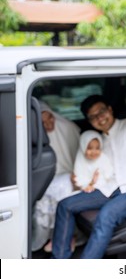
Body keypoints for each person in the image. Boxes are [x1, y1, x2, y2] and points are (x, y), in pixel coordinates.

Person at [51, 94, 126, 259]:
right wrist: (88, 182)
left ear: (110, 110)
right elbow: (100, 170)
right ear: (90, 122)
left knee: (106, 215)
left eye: (101, 111)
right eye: (93, 116)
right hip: (110, 188)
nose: (100, 118)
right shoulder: (100, 141)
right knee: (65, 205)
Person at [32, 101, 80, 252]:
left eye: (50, 119)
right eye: (42, 122)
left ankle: (65, 237)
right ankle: (56, 236)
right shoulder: (34, 135)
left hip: (72, 173)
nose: (48, 125)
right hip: (50, 175)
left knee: (63, 188)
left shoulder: (67, 127)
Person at [73, 130, 115, 195]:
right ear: (83, 147)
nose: (94, 152)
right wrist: (91, 183)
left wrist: (93, 183)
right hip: (86, 190)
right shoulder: (80, 161)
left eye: (97, 148)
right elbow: (79, 181)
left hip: (104, 191)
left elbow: (109, 176)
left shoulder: (103, 159)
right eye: (89, 148)